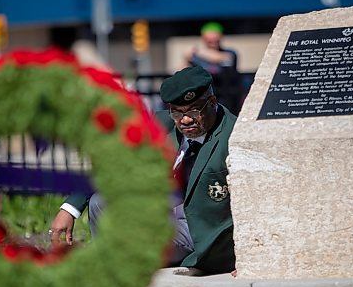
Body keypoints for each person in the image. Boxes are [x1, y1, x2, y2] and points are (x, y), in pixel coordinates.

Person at [50, 66, 236, 275]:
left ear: (211, 102)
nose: (185, 120)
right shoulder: (161, 124)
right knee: (100, 203)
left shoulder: (233, 137)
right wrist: (69, 209)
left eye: (194, 111)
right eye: (177, 112)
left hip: (199, 231)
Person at [184, 22, 243, 116]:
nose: (212, 42)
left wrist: (197, 51)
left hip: (227, 100)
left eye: (215, 39)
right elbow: (184, 71)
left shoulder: (230, 53)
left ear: (221, 37)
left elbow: (224, 58)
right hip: (204, 100)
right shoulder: (196, 57)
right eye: (209, 40)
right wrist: (187, 58)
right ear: (203, 38)